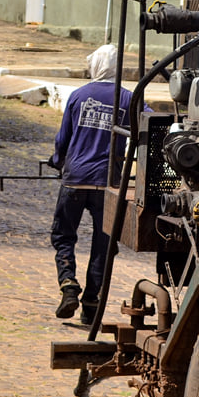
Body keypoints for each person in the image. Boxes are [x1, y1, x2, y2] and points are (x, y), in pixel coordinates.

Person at [48, 44, 140, 325]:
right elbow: (151, 124)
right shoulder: (128, 99)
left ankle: (69, 285)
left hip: (75, 179)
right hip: (109, 184)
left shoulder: (78, 96)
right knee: (104, 244)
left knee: (64, 235)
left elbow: (62, 140)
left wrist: (56, 161)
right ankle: (91, 302)